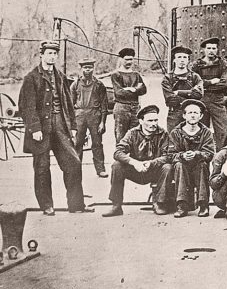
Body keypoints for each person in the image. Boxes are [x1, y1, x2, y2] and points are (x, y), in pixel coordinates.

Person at [19, 40, 93, 215]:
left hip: (60, 125)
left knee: (73, 163)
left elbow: (68, 103)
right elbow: (26, 107)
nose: (52, 56)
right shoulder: (31, 78)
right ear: (42, 55)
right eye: (49, 53)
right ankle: (47, 205)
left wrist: (72, 126)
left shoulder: (59, 76)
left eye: (54, 53)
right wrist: (35, 128)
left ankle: (76, 205)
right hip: (40, 129)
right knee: (42, 168)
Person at [102, 105, 174, 217]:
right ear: (141, 121)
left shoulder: (163, 134)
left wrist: (151, 163)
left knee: (167, 167)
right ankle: (116, 205)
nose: (154, 124)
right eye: (150, 120)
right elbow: (118, 152)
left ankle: (159, 203)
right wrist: (134, 163)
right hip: (136, 170)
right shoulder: (132, 133)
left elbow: (168, 156)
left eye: (155, 120)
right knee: (117, 166)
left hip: (154, 170)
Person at [168, 99, 216, 218]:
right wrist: (182, 156)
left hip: (198, 166)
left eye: (196, 113)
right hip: (182, 167)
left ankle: (203, 205)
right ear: (184, 115)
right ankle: (181, 205)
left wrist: (197, 154)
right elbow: (170, 154)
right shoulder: (175, 133)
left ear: (201, 116)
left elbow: (210, 153)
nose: (193, 115)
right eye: (190, 113)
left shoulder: (206, 133)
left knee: (203, 165)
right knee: (179, 165)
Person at [70, 58, 109, 178]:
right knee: (77, 143)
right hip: (79, 116)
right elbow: (70, 105)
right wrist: (72, 124)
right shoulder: (75, 84)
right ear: (81, 69)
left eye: (90, 68)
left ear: (93, 68)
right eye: (85, 68)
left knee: (97, 143)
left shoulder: (99, 85)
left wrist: (102, 122)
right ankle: (75, 168)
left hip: (94, 115)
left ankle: (100, 169)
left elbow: (104, 105)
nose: (88, 70)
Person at [191, 37, 227, 149]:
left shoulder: (223, 64)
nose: (211, 50)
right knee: (200, 127)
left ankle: (218, 152)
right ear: (204, 50)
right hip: (201, 100)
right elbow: (193, 83)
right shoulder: (196, 65)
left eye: (214, 48)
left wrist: (204, 85)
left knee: (222, 129)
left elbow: (224, 83)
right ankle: (202, 150)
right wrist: (211, 81)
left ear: (217, 50)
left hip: (217, 100)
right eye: (209, 48)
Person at [161, 46, 204, 131]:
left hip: (192, 114)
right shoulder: (168, 78)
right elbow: (170, 99)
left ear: (188, 60)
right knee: (173, 140)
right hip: (174, 114)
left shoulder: (195, 77)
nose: (182, 60)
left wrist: (178, 92)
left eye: (185, 57)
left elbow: (199, 94)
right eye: (179, 57)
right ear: (174, 60)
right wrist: (191, 93)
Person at [111, 47, 147, 142]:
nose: (129, 62)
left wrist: (132, 89)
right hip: (121, 108)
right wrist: (136, 89)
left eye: (131, 59)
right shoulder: (116, 75)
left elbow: (143, 90)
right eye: (126, 59)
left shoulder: (136, 74)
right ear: (121, 59)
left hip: (135, 108)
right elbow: (119, 93)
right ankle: (121, 156)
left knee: (136, 135)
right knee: (121, 137)